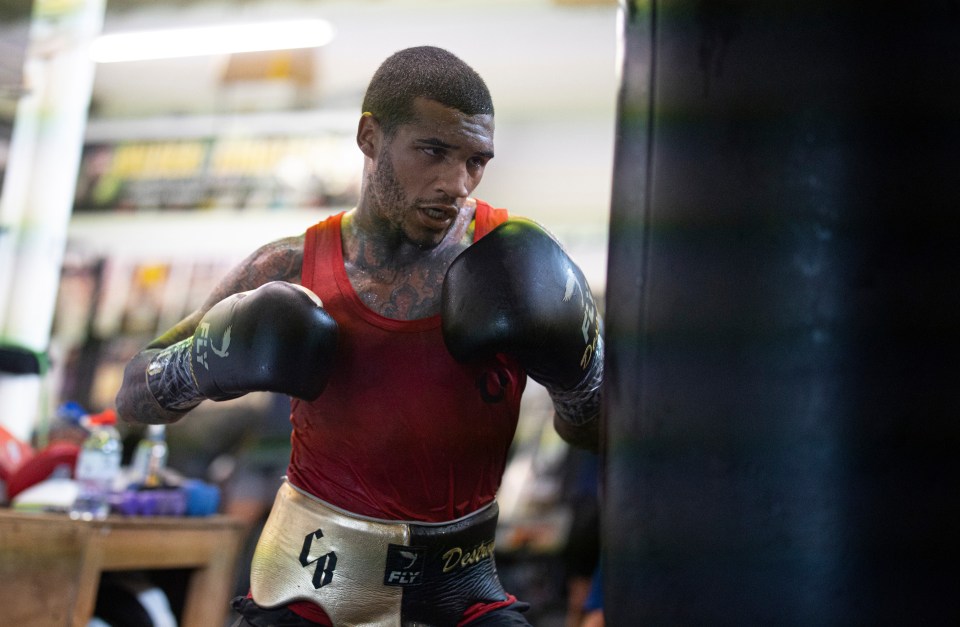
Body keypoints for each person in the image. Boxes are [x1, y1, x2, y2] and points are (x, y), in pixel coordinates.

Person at [115, 45, 603, 627]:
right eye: (434, 151)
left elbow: (593, 433)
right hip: (308, 585)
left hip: (462, 592)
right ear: (370, 136)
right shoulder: (287, 267)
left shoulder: (511, 264)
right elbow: (132, 398)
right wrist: (205, 358)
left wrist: (581, 382)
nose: (456, 183)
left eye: (476, 161)